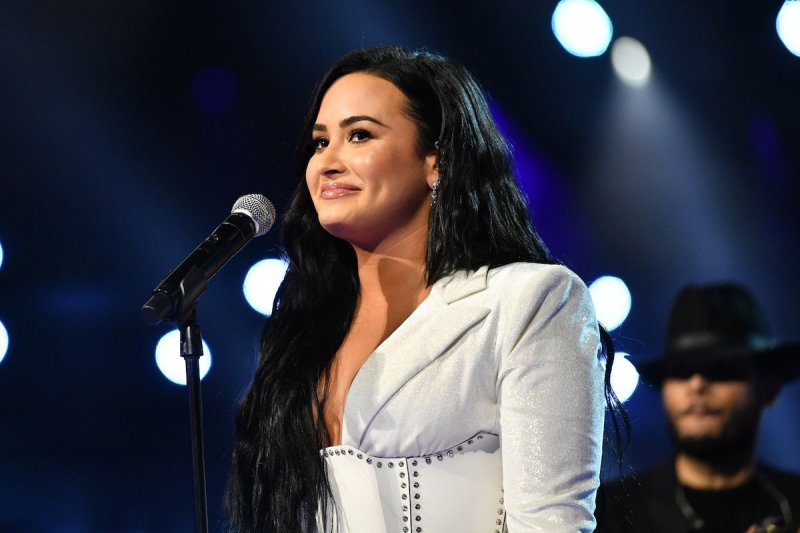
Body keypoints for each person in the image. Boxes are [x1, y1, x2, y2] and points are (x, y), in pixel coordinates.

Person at [225, 45, 620, 532]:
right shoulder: (305, 332)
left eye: (360, 135)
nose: (326, 162)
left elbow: (551, 525)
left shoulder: (530, 301)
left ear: (437, 160)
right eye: (320, 142)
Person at [596, 283, 800, 532]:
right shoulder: (608, 514)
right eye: (680, 371)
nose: (697, 384)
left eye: (720, 370)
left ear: (769, 389)